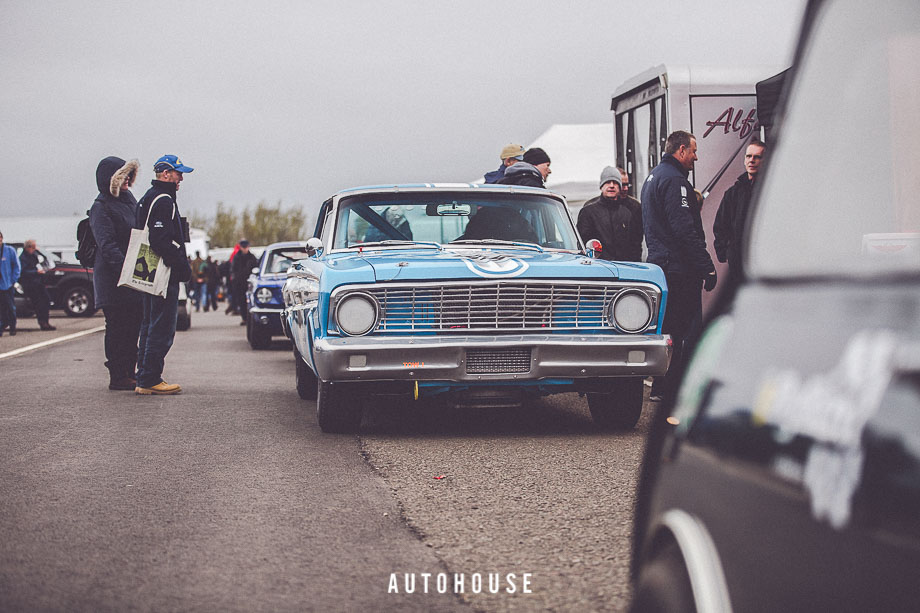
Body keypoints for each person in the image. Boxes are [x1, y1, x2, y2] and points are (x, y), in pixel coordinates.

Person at [641, 130, 716, 403]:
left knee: (667, 330)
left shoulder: (653, 177)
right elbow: (684, 229)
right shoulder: (675, 181)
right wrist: (706, 266)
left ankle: (662, 387)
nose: (696, 157)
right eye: (693, 151)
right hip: (679, 270)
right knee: (685, 331)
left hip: (660, 267)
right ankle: (677, 390)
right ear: (681, 150)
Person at [135, 155, 194, 395]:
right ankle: (150, 379)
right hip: (162, 273)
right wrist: (181, 265)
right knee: (161, 327)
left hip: (148, 272)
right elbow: (160, 240)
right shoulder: (164, 200)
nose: (181, 179)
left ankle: (143, 377)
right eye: (178, 173)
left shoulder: (147, 198)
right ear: (166, 174)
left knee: (149, 324)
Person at [90, 157, 144, 389]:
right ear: (111, 179)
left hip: (133, 276)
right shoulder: (100, 207)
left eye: (130, 175)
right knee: (117, 326)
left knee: (133, 326)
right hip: (113, 279)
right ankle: (118, 375)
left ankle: (130, 371)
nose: (128, 180)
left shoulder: (130, 200)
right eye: (123, 176)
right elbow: (107, 245)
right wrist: (127, 270)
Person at [713, 139, 766, 282]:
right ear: (744, 160)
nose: (752, 160)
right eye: (749, 156)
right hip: (738, 263)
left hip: (765, 261)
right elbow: (720, 224)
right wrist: (726, 253)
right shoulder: (733, 193)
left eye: (757, 157)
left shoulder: (771, 191)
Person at [576, 167, 643, 262]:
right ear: (601, 186)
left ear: (620, 187)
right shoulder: (588, 212)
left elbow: (635, 246)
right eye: (607, 182)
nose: (611, 186)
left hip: (623, 267)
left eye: (615, 183)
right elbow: (582, 245)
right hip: (598, 266)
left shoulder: (627, 214)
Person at [18, 240, 56, 331]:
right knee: (39, 303)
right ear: (28, 248)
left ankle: (46, 321)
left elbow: (43, 260)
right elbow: (23, 271)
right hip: (30, 284)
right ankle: (42, 322)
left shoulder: (33, 255)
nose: (34, 249)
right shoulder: (23, 258)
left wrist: (40, 252)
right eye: (33, 247)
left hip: (38, 282)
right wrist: (36, 272)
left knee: (46, 300)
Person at [231, 239, 259, 325]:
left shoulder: (252, 257)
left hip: (250, 282)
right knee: (241, 301)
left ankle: (251, 318)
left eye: (246, 247)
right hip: (240, 283)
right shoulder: (237, 257)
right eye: (244, 247)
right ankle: (244, 318)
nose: (245, 249)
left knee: (251, 301)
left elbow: (256, 268)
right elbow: (233, 270)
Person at [0, 230, 20, 337]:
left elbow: (17, 266)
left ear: (1, 238)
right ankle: (1, 327)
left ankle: (12, 327)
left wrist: (13, 280)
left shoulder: (9, 250)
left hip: (7, 285)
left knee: (11, 307)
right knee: (1, 309)